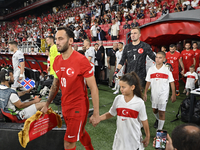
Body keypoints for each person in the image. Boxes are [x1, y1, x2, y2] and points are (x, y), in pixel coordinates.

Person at [41, 27, 100, 150]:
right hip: (65, 105)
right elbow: (55, 85)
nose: (57, 42)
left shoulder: (81, 60)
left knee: (68, 143)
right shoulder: (57, 60)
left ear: (71, 41)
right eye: (56, 39)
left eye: (61, 39)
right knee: (81, 132)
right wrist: (47, 104)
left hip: (78, 107)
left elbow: (93, 88)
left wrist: (96, 113)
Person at [99, 72, 150, 150]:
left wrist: (147, 136)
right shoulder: (118, 99)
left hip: (134, 141)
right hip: (119, 141)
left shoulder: (139, 102)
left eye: (123, 87)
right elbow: (111, 113)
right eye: (120, 87)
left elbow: (144, 121)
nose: (121, 89)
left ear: (132, 87)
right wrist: (99, 118)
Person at [144, 51, 176, 130]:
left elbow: (171, 82)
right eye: (156, 57)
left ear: (164, 59)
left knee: (161, 112)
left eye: (160, 58)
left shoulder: (167, 69)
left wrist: (173, 94)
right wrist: (145, 93)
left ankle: (159, 130)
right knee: (155, 110)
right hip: (154, 93)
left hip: (163, 93)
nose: (157, 59)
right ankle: (158, 120)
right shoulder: (151, 69)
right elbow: (148, 82)